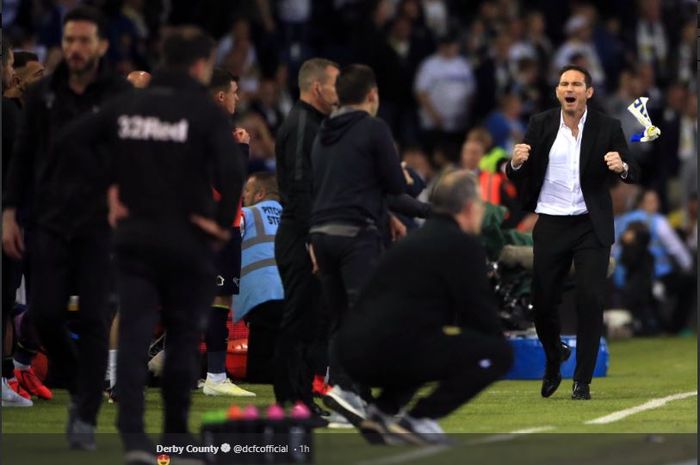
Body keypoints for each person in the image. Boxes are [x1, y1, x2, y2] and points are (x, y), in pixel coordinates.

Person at [53, 27, 245, 464]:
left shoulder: (129, 105)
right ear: (199, 65)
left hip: (135, 237)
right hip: (186, 240)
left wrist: (108, 195)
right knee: (181, 335)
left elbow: (69, 142)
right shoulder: (202, 112)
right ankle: (175, 437)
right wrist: (218, 224)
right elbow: (232, 175)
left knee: (136, 326)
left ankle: (134, 439)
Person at [2, 6, 130, 443]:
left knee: (95, 317)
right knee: (45, 315)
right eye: (69, 40)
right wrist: (8, 212)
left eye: (83, 41)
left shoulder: (116, 94)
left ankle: (85, 413)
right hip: (49, 222)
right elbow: (21, 159)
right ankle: (82, 386)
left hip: (98, 226)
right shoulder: (43, 95)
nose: (75, 48)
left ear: (101, 46)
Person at [337, 170, 512, 445]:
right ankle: (420, 418)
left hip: (349, 353)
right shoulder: (462, 245)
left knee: (425, 342)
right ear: (468, 208)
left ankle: (381, 413)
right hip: (387, 351)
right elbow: (480, 318)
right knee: (499, 353)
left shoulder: (413, 239)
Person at [506, 64, 639, 400]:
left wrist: (621, 166)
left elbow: (632, 169)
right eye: (564, 83)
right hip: (550, 222)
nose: (570, 88)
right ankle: (554, 358)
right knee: (542, 299)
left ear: (588, 92)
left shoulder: (607, 126)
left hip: (590, 224)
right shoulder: (540, 124)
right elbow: (517, 170)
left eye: (577, 84)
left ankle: (583, 380)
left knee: (591, 299)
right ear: (558, 92)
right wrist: (516, 163)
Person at [309, 64, 406, 425]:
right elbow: (394, 183)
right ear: (372, 95)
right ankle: (359, 396)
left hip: (321, 233)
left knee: (340, 318)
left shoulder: (323, 132)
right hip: (356, 234)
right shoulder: (373, 128)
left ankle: (344, 395)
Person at [274, 58, 339, 411]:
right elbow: (300, 189)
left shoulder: (314, 124)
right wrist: (313, 239)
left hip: (309, 233)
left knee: (312, 319)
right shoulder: (302, 125)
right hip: (302, 237)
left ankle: (302, 393)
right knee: (298, 319)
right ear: (317, 88)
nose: (339, 93)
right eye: (334, 85)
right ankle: (290, 398)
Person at [201, 67, 255, 397]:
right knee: (219, 299)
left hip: (201, 225)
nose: (237, 98)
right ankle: (216, 376)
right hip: (221, 225)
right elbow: (227, 183)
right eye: (234, 92)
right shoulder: (219, 132)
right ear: (221, 96)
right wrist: (243, 149)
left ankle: (204, 372)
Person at [235, 172, 284, 383]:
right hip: (292, 291)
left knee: (261, 363)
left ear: (260, 194)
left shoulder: (246, 215)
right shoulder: (293, 216)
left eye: (247, 190)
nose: (243, 195)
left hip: (260, 292)